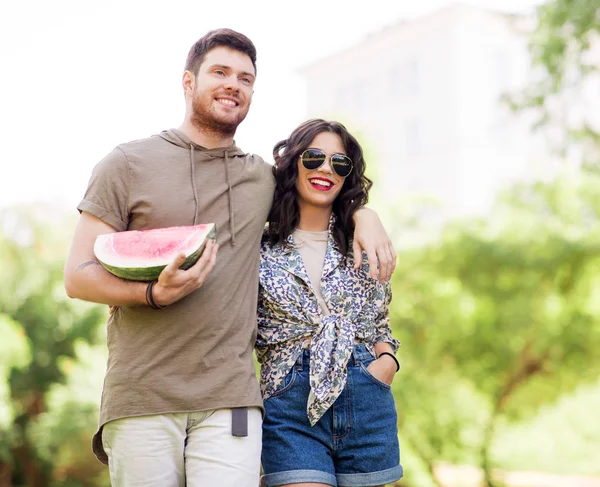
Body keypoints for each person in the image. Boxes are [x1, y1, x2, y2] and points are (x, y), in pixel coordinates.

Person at [64, 29, 396, 487]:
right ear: (188, 81)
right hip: (142, 395)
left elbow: (320, 187)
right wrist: (151, 292)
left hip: (232, 401)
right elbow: (78, 277)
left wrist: (365, 213)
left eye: (245, 78)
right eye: (220, 72)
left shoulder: (261, 178)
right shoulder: (126, 163)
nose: (233, 84)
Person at [256, 119, 403, 487]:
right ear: (293, 163)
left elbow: (379, 324)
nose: (326, 169)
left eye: (340, 163)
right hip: (289, 401)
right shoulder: (258, 247)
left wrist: (386, 363)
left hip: (367, 394)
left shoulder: (365, 241)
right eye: (315, 157)